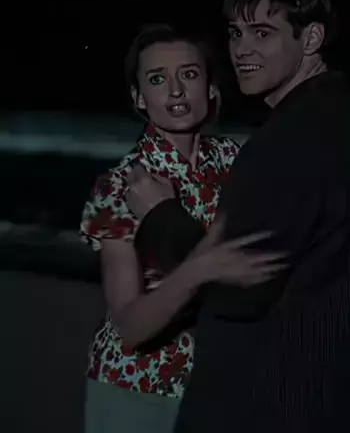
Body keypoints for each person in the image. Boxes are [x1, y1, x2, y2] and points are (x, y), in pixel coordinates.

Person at [128, 0, 350, 433]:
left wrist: (159, 216)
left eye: (262, 33)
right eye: (235, 32)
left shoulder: (286, 142)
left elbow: (236, 289)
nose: (241, 49)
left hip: (275, 409)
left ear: (311, 39)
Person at [78, 23, 285, 433]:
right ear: (139, 98)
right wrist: (199, 269)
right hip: (139, 387)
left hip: (221, 385)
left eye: (188, 74)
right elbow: (130, 328)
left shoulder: (235, 160)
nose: (175, 91)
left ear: (210, 87)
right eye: (157, 79)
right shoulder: (122, 186)